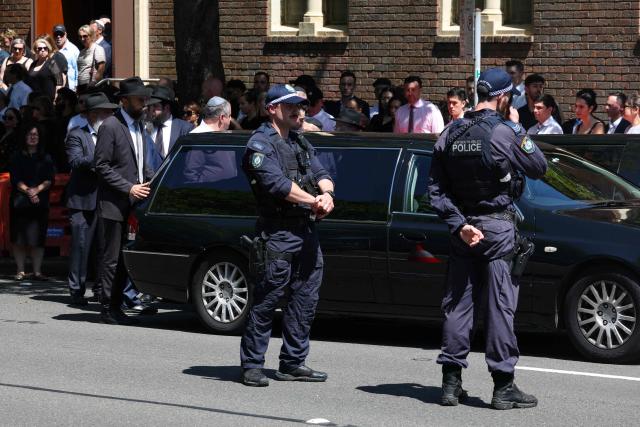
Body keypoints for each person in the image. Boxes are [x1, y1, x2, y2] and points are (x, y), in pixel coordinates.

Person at [427, 67, 547, 410]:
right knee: (499, 306)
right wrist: (516, 125)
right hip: (496, 228)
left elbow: (435, 191)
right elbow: (539, 166)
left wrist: (459, 224)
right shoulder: (504, 131)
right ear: (504, 96)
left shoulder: (450, 132)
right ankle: (503, 386)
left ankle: (451, 384)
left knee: (458, 304)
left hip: (463, 229)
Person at [239, 84, 335, 387]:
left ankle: (293, 363)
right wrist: (313, 200)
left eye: (301, 107)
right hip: (277, 232)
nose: (298, 111)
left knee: (304, 300)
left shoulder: (299, 141)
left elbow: (321, 173)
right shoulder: (259, 144)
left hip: (306, 231)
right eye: (290, 106)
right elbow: (277, 185)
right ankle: (253, 364)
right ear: (272, 110)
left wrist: (328, 196)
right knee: (267, 300)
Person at [94, 77, 155, 325]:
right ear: (124, 101)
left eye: (145, 99)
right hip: (114, 203)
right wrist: (129, 187)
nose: (144, 103)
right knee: (112, 258)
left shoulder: (139, 126)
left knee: (125, 257)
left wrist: (152, 182)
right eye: (140, 99)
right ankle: (108, 306)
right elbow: (102, 166)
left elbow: (142, 164)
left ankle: (118, 303)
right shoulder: (110, 126)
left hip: (134, 202)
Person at [65, 92, 119, 305]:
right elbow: (76, 161)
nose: (109, 118)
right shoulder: (77, 134)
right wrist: (101, 157)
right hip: (82, 201)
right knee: (80, 246)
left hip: (106, 199)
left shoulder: (112, 135)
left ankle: (100, 289)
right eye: (105, 113)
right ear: (93, 115)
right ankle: (76, 290)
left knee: (103, 247)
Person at [8, 122, 55, 281]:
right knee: (18, 238)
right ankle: (20, 270)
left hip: (40, 201)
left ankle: (37, 271)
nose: (33, 137)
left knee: (38, 238)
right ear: (24, 137)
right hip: (20, 201)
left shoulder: (46, 157)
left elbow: (49, 179)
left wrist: (37, 190)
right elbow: (15, 179)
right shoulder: (16, 156)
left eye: (36, 134)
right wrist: (29, 191)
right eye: (30, 134)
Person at [148, 85, 194, 163]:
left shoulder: (185, 129)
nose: (152, 110)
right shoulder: (146, 128)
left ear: (167, 108)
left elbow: (190, 159)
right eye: (151, 106)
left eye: (155, 106)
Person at [28, 37, 66, 101]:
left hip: (48, 101)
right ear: (35, 50)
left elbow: (59, 82)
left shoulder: (52, 63)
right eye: (40, 49)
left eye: (45, 48)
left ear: (48, 49)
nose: (43, 50)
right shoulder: (33, 64)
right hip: (34, 100)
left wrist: (56, 98)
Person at [76, 25, 106, 93]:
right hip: (81, 86)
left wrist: (94, 82)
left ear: (91, 35)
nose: (82, 39)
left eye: (85, 36)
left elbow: (101, 67)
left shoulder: (97, 49)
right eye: (80, 37)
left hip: (91, 87)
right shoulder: (82, 52)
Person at [52, 24, 80, 92]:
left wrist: (75, 87)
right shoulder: (51, 50)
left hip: (70, 89)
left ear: (65, 34)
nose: (58, 37)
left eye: (61, 34)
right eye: (56, 34)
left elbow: (77, 69)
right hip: (55, 88)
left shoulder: (73, 50)